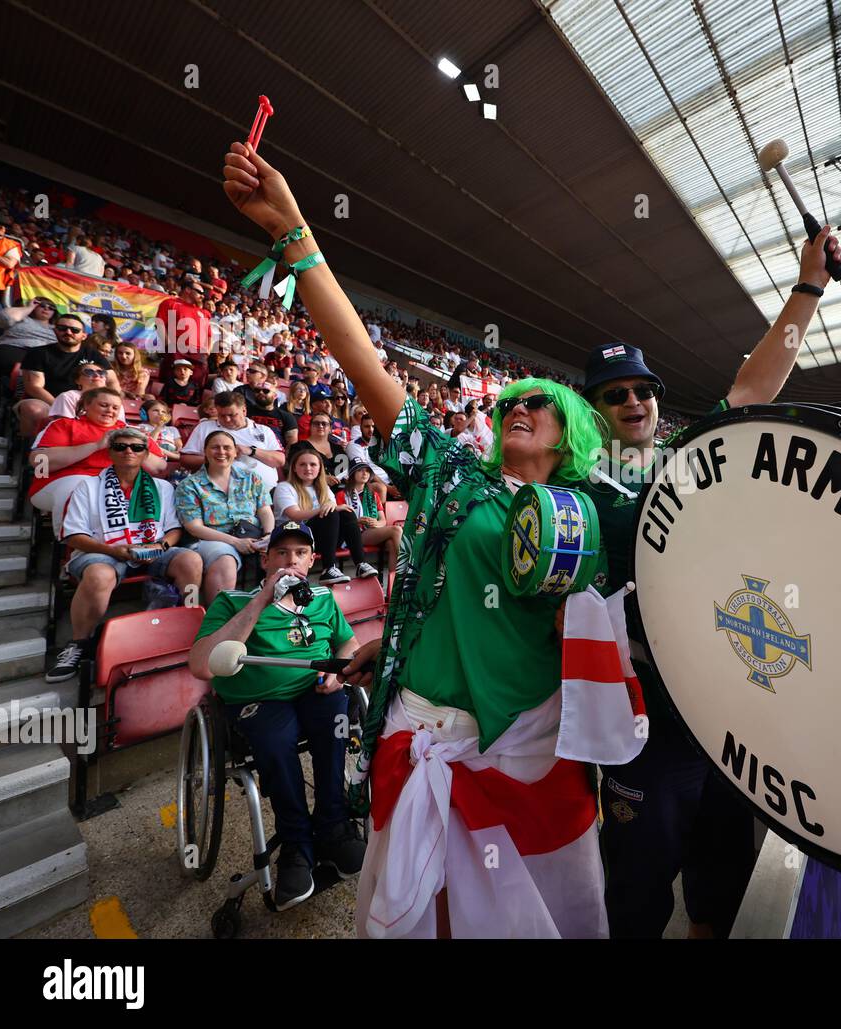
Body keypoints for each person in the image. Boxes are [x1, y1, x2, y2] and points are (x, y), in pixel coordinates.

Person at [222, 138, 614, 937]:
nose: (518, 405)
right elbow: (362, 360)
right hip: (416, 728)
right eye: (510, 398)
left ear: (570, 436)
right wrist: (295, 231)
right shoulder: (452, 477)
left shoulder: (588, 515)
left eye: (540, 400)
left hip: (525, 750)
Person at [580, 221, 841, 939]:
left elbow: (755, 383)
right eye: (614, 395)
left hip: (729, 721)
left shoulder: (695, 457)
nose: (634, 401)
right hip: (647, 734)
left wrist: (809, 285)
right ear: (593, 411)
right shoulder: (578, 497)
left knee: (721, 889)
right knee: (635, 896)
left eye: (643, 389)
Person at [188, 521, 363, 910]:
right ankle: (296, 844)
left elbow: (348, 642)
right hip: (260, 700)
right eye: (282, 553)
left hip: (313, 692)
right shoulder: (232, 601)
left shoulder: (322, 597)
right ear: (266, 559)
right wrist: (261, 600)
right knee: (276, 737)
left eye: (300, 553)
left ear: (313, 560)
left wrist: (339, 668)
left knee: (338, 712)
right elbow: (201, 665)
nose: (291, 561)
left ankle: (333, 825)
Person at [48, 426, 202, 682]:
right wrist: (112, 550)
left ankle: (189, 623)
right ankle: (78, 643)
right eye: (121, 447)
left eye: (137, 447)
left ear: (144, 453)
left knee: (191, 559)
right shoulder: (88, 486)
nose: (128, 451)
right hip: (103, 550)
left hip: (151, 549)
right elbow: (73, 535)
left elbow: (174, 529)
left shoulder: (162, 487)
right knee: (98, 575)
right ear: (110, 452)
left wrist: (160, 547)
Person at [28, 385, 167, 532]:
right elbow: (39, 464)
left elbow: (160, 467)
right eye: (104, 405)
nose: (110, 411)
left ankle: (144, 540)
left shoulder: (131, 432)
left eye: (115, 407)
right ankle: (76, 545)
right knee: (83, 489)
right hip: (66, 482)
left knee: (158, 489)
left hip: (121, 484)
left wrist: (134, 447)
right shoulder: (65, 425)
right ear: (87, 405)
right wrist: (96, 446)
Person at [175, 429, 274, 604]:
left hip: (252, 535)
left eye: (227, 447)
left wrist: (268, 536)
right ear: (205, 451)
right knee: (225, 559)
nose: (221, 452)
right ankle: (217, 620)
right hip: (211, 540)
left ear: (235, 452)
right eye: (215, 447)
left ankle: (274, 613)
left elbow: (265, 511)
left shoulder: (251, 478)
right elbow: (194, 527)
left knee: (282, 550)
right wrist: (236, 542)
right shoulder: (190, 485)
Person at [273, 445, 377, 583]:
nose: (308, 468)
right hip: (295, 536)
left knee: (346, 511)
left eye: (313, 464)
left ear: (319, 468)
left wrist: (334, 508)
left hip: (323, 539)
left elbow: (333, 510)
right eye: (302, 464)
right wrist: (325, 509)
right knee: (331, 512)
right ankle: (328, 568)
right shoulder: (284, 487)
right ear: (294, 468)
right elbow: (294, 515)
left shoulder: (324, 488)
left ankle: (360, 564)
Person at [15, 311, 118, 438]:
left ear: (84, 335)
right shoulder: (38, 353)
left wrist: (113, 402)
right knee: (33, 409)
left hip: (87, 404)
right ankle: (32, 452)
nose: (68, 332)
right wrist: (62, 406)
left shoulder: (93, 354)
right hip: (47, 402)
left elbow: (112, 381)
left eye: (74, 330)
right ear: (55, 331)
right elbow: (34, 387)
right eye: (62, 328)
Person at [181, 389, 285, 492]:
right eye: (221, 415)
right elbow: (186, 459)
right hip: (220, 491)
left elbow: (280, 460)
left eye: (231, 415)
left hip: (265, 491)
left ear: (244, 411)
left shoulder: (263, 430)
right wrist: (219, 458)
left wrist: (251, 451)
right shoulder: (205, 428)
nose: (227, 419)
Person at [343, 461, 400, 568]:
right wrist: (358, 521)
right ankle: (407, 565)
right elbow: (341, 522)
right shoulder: (342, 495)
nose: (364, 473)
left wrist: (376, 523)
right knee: (396, 530)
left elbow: (383, 521)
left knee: (392, 544)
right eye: (360, 470)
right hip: (354, 534)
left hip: (372, 532)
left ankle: (394, 582)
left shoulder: (373, 495)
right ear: (352, 474)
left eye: (367, 471)